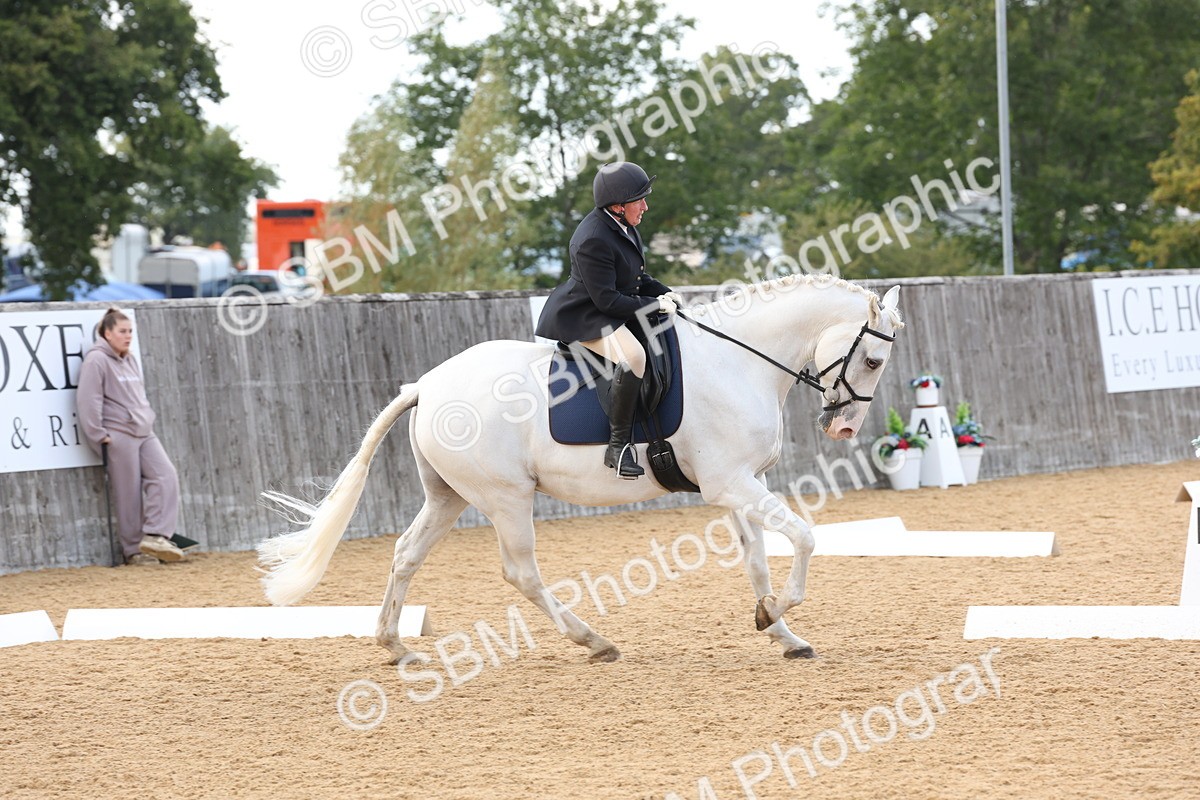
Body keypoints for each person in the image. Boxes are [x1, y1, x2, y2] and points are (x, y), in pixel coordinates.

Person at [536, 162, 683, 479]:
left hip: (610, 305)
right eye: (639, 200)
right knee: (634, 357)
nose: (645, 206)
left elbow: (636, 278)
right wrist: (655, 305)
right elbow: (608, 301)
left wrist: (665, 292)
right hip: (587, 315)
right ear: (618, 206)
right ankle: (617, 448)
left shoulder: (625, 225)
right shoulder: (592, 238)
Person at [77, 307, 186, 565]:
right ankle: (133, 551)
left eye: (130, 331)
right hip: (118, 434)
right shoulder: (96, 360)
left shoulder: (130, 359)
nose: (128, 336)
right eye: (122, 331)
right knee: (128, 492)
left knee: (165, 475)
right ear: (107, 333)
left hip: (144, 431)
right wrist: (98, 434)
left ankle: (156, 536)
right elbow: (88, 399)